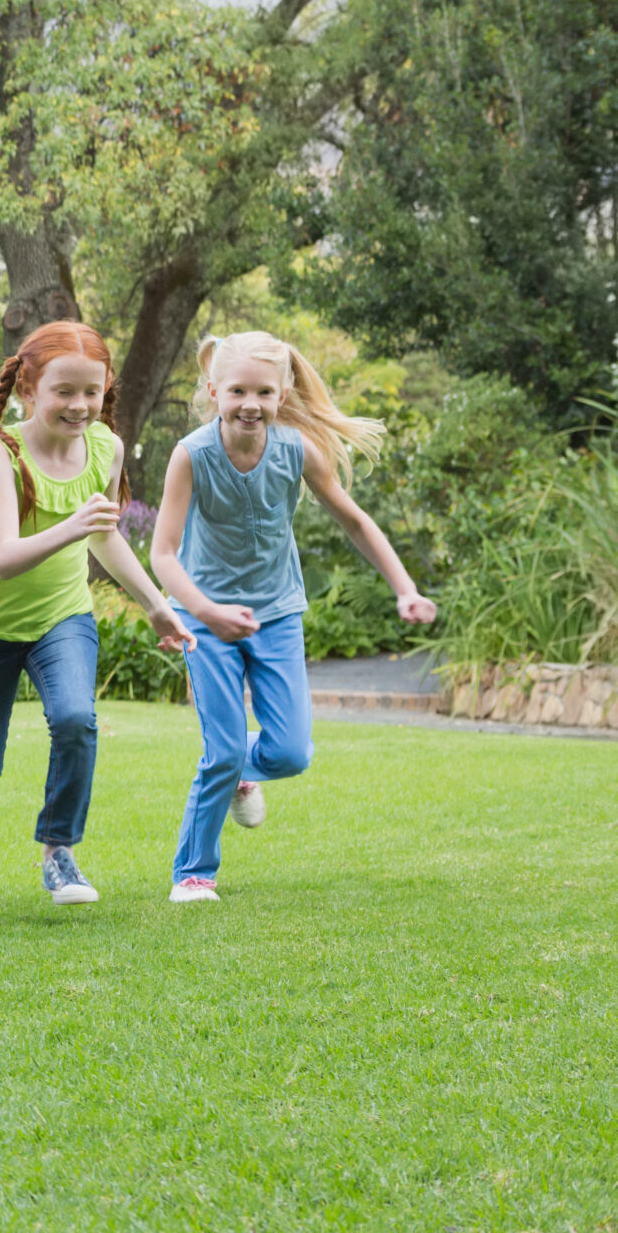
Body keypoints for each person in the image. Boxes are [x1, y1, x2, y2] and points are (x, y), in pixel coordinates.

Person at [151, 332, 437, 902]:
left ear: (282, 395)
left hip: (277, 614)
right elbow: (163, 552)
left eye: (264, 392)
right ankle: (194, 872)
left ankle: (240, 770)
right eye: (237, 390)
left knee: (290, 753)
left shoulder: (296, 449)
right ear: (214, 391)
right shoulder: (191, 455)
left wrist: (404, 588)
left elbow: (355, 521)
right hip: (203, 618)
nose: (250, 403)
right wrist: (202, 611)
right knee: (222, 749)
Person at [0, 321, 194, 915]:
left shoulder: (106, 448)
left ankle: (58, 850)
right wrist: (74, 525)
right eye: (64, 391)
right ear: (29, 389)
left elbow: (105, 538)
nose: (79, 405)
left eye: (91, 392)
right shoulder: (2, 453)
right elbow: (4, 559)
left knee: (76, 718)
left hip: (62, 617)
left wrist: (156, 606)